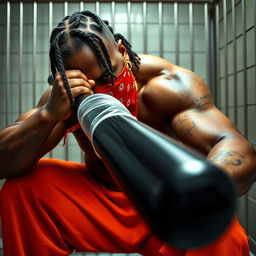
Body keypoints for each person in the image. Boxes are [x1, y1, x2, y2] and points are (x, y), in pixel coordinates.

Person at [0, 10, 255, 256]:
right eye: (86, 84)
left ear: (122, 51)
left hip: (166, 203)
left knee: (221, 231)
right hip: (104, 207)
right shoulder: (66, 98)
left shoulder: (165, 86)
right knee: (23, 189)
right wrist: (47, 115)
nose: (99, 91)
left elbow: (234, 146)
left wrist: (197, 193)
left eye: (107, 77)